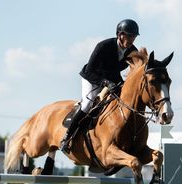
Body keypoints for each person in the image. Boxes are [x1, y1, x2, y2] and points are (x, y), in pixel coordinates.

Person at [60, 19, 140, 153]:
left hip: (111, 79)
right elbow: (91, 70)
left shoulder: (132, 51)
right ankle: (67, 137)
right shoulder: (103, 46)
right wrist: (105, 83)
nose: (132, 39)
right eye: (129, 36)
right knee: (87, 104)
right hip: (91, 77)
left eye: (134, 36)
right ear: (120, 35)